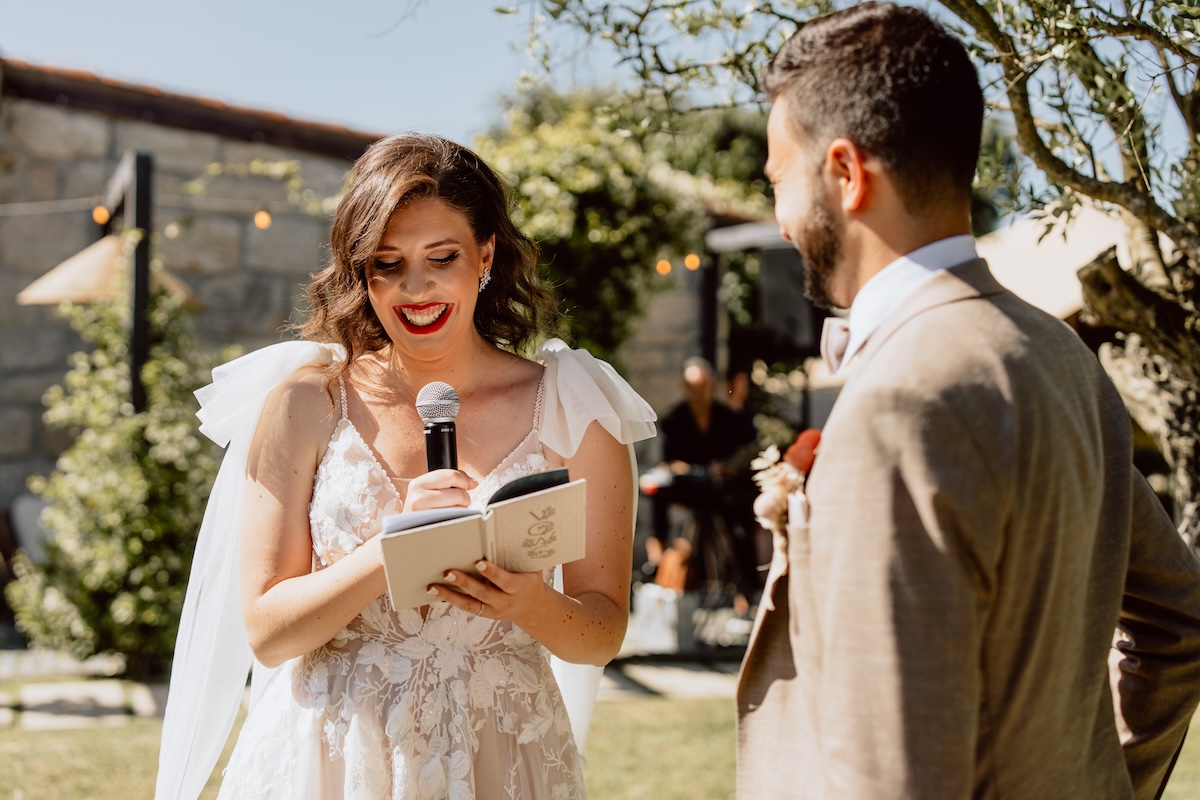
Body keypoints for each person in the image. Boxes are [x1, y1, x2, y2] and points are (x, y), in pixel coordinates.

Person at [737, 4, 1200, 799]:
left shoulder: (902, 399)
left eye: (780, 179)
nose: (779, 220)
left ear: (845, 174)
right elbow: (1180, 622)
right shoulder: (1060, 353)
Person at [154, 133, 657, 800]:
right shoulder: (307, 403)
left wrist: (532, 602)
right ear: (361, 273)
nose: (414, 290)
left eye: (440, 258)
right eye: (387, 265)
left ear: (485, 254)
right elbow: (268, 633)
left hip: (498, 758)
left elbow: (601, 634)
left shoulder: (570, 405)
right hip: (331, 761)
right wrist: (391, 551)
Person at [645, 357, 760, 604]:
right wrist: (691, 470)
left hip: (720, 490)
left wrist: (728, 467)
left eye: (704, 385)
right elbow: (668, 463)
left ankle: (746, 588)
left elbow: (741, 454)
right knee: (656, 494)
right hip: (689, 487)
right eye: (693, 386)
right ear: (685, 388)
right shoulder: (674, 419)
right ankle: (656, 561)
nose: (699, 392)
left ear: (712, 385)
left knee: (742, 510)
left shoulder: (727, 417)